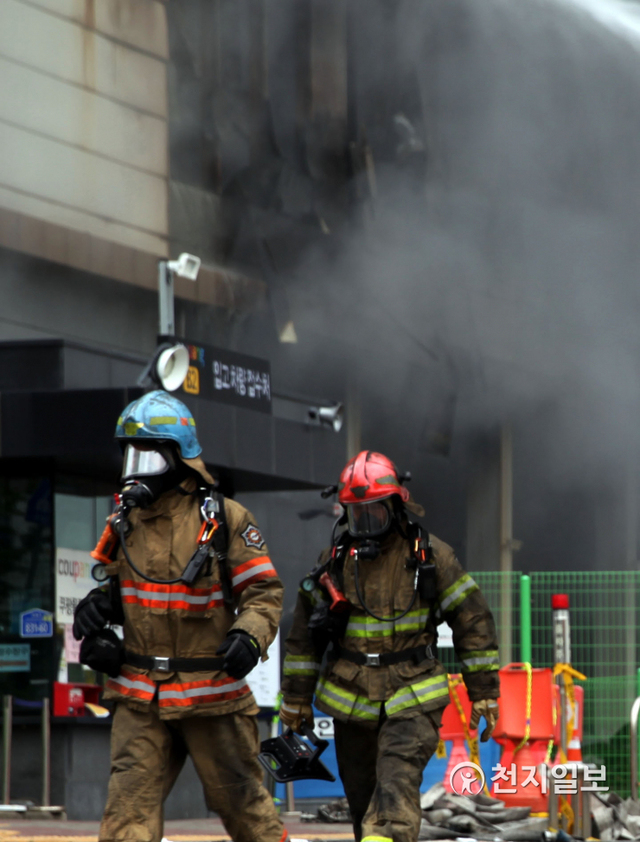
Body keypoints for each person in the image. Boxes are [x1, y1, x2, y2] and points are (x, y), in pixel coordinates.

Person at [73, 389, 289, 842]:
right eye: (130, 455)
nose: (136, 468)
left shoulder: (225, 519)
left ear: (179, 458)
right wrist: (98, 612)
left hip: (212, 694)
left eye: (148, 456)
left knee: (246, 811)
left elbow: (263, 591)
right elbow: (123, 591)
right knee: (126, 817)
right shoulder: (124, 522)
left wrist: (250, 636)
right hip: (140, 697)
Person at [281, 450, 500, 842]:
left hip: (412, 693)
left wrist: (483, 691)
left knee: (395, 788)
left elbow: (473, 621)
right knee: (363, 802)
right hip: (351, 701)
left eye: (374, 512)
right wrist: (296, 699)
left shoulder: (431, 557)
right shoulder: (334, 564)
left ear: (396, 507)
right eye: (357, 515)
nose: (365, 523)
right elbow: (304, 637)